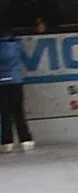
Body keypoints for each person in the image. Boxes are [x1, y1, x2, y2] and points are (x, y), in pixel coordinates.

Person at [0, 23, 34, 153]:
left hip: (1, 82)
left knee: (5, 113)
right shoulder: (17, 45)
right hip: (16, 80)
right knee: (18, 110)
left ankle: (6, 141)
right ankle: (25, 139)